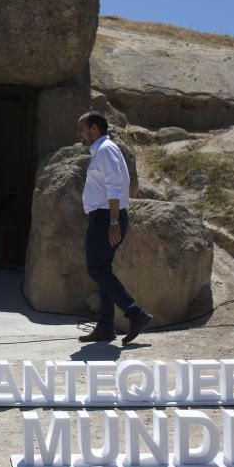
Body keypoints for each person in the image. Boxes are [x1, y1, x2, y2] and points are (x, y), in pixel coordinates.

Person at [75, 111, 152, 344]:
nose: (79, 134)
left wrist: (113, 221)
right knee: (103, 270)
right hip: (104, 217)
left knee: (97, 270)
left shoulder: (106, 150)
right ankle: (106, 327)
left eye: (82, 128)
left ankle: (135, 313)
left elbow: (115, 186)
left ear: (94, 128)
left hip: (106, 217)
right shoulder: (102, 150)